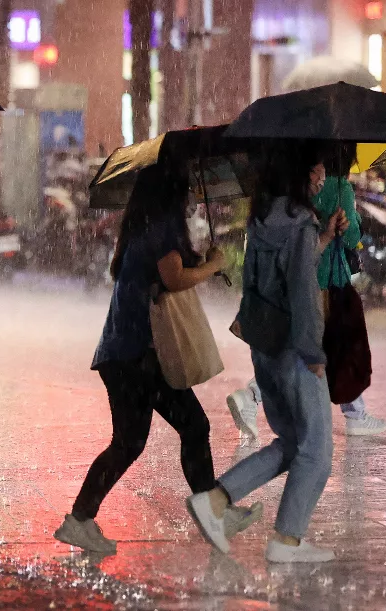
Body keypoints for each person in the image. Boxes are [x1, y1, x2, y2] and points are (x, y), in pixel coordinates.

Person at [53, 167, 257, 555]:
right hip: (138, 356)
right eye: (188, 191)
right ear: (172, 193)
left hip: (123, 354)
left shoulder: (139, 228)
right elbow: (173, 278)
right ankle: (212, 509)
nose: (192, 200)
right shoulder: (161, 227)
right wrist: (214, 266)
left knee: (130, 442)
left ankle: (79, 519)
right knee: (192, 426)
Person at [187, 145, 340, 563]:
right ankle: (286, 541)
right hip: (294, 349)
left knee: (292, 442)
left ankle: (217, 500)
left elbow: (276, 277)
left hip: (265, 347)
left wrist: (322, 239)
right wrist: (314, 353)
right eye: (317, 171)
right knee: (318, 451)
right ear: (300, 174)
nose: (322, 179)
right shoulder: (300, 224)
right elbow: (304, 294)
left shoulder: (264, 219)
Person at [227, 143, 386, 438]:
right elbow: (351, 237)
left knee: (324, 346)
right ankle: (252, 396)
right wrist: (353, 225)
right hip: (327, 278)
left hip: (297, 278)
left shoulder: (279, 200)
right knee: (325, 347)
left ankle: (354, 411)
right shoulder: (340, 189)